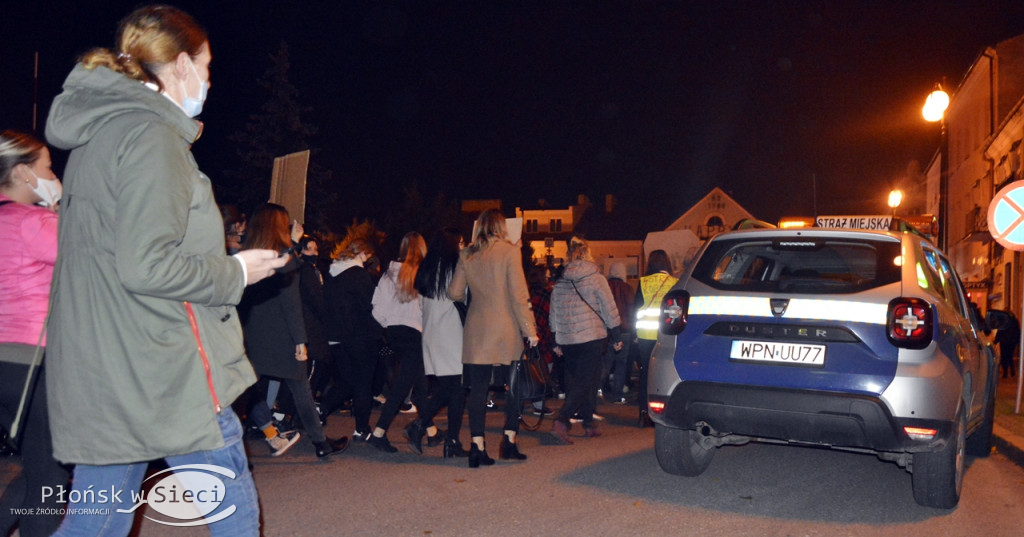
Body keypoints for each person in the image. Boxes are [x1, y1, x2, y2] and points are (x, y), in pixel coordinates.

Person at [44, 5, 288, 534]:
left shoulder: (102, 133)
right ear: (179, 64)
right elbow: (147, 264)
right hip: (163, 370)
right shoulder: (150, 137)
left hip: (113, 367)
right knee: (232, 513)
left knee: (96, 521)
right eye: (205, 66)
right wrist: (237, 272)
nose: (207, 79)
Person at [0, 131, 70, 537]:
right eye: (47, 167)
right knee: (49, 479)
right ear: (24, 173)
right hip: (34, 365)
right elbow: (96, 262)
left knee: (36, 466)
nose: (53, 174)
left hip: (5, 367)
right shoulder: (36, 223)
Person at [237, 203, 348, 459]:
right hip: (281, 335)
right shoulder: (283, 258)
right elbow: (290, 301)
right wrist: (300, 340)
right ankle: (320, 443)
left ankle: (244, 440)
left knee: (245, 388)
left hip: (250, 335)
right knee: (301, 389)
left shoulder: (247, 254)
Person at [448, 209, 538, 467]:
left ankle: (477, 446)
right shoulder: (510, 251)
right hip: (506, 327)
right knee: (515, 386)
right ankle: (508, 441)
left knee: (478, 389)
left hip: (477, 328)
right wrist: (530, 331)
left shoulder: (467, 254)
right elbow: (519, 295)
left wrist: (472, 299)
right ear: (501, 227)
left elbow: (454, 292)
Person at [548, 237, 622, 444]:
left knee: (585, 380)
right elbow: (609, 307)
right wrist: (616, 336)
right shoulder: (596, 278)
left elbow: (554, 312)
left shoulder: (561, 281)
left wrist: (555, 340)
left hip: (568, 339)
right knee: (584, 381)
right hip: (591, 337)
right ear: (588, 254)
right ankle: (562, 421)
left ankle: (588, 423)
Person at [404, 227, 468, 457]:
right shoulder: (456, 267)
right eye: (460, 242)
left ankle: (451, 442)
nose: (462, 246)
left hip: (432, 334)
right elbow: (464, 296)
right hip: (452, 334)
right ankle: (420, 425)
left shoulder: (427, 269)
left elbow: (422, 304)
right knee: (455, 388)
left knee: (453, 390)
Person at [366, 232, 429, 453]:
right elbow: (427, 308)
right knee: (403, 384)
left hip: (394, 332)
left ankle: (431, 430)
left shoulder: (388, 275)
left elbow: (377, 309)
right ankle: (379, 432)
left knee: (418, 381)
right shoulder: (422, 275)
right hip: (415, 332)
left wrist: (389, 322)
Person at [322, 227, 381, 441]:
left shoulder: (332, 273)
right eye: (367, 256)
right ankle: (361, 428)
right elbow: (371, 305)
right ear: (362, 254)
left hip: (337, 337)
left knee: (347, 380)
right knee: (363, 382)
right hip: (361, 336)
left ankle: (321, 409)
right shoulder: (359, 276)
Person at [633, 249, 677, 426]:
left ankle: (644, 413)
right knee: (665, 374)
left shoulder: (643, 282)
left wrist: (635, 336)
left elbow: (636, 309)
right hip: (666, 337)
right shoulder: (676, 283)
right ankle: (664, 414)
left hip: (644, 336)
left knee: (645, 375)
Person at [603, 261, 635, 405]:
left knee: (606, 362)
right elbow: (631, 311)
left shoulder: (605, 287)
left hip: (606, 331)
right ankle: (618, 395)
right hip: (624, 330)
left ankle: (598, 389)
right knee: (621, 363)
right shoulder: (627, 288)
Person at [995, 312, 1020, 379]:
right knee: (1010, 356)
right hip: (1011, 342)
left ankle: (1006, 372)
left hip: (1004, 342)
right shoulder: (1014, 322)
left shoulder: (1003, 321)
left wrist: (996, 340)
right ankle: (1011, 370)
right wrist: (1018, 342)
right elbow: (1017, 332)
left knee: (1004, 356)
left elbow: (999, 332)